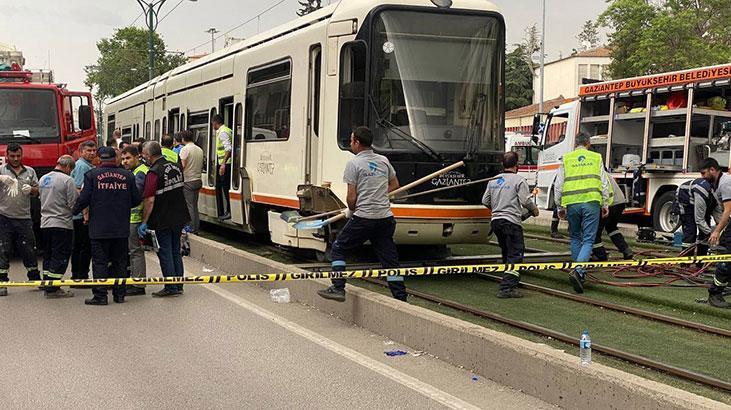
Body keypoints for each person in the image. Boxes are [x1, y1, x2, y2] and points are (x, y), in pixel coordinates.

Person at [317, 127, 407, 302]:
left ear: (357, 142)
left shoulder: (353, 164)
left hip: (364, 218)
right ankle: (401, 298)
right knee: (390, 260)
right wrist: (378, 195)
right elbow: (395, 184)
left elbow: (351, 197)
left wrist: (351, 210)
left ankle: (338, 287)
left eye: (351, 140)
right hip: (385, 219)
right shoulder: (383, 160)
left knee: (338, 247)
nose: (351, 144)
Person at [73, 147, 141, 305]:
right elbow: (136, 199)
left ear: (99, 158)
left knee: (100, 262)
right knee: (120, 262)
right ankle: (120, 295)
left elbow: (84, 198)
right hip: (120, 226)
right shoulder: (128, 176)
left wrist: (73, 211)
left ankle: (100, 295)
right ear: (115, 159)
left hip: (99, 227)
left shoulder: (92, 175)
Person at [554, 133, 610, 294]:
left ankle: (579, 272)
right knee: (588, 239)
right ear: (588, 143)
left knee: (575, 237)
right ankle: (579, 271)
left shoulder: (566, 159)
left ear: (575, 143)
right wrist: (605, 203)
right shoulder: (596, 158)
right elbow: (603, 182)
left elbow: (558, 185)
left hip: (572, 204)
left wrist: (559, 207)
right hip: (592, 202)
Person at [483, 151, 539, 298]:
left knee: (506, 251)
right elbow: (525, 200)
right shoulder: (519, 180)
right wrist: (534, 209)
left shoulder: (493, 180)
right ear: (517, 165)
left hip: (496, 222)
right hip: (511, 222)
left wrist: (497, 209)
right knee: (515, 254)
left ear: (503, 164)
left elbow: (485, 201)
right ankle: (507, 288)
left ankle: (509, 279)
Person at [140, 141, 190, 297]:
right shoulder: (176, 166)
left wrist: (144, 222)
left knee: (165, 252)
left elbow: (149, 200)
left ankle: (170, 287)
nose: (144, 158)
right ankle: (178, 285)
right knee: (176, 251)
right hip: (179, 215)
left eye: (144, 155)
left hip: (163, 218)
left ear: (149, 155)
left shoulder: (154, 172)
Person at [0, 143, 41, 296]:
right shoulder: (1, 170)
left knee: (29, 249)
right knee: (3, 250)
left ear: (22, 155)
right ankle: (2, 282)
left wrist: (32, 190)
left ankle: (34, 278)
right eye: (12, 156)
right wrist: (1, 178)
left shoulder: (30, 171)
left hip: (24, 217)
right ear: (7, 156)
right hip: (4, 216)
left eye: (18, 155)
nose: (16, 159)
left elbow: (38, 190)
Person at [39, 155, 78, 298]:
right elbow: (73, 203)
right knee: (60, 255)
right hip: (62, 223)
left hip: (45, 223)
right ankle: (53, 288)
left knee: (48, 254)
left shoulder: (43, 178)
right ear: (68, 167)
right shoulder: (68, 180)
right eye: (71, 170)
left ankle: (47, 282)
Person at [120, 145, 148, 296]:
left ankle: (138, 284)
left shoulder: (139, 173)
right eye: (123, 159)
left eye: (128, 158)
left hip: (134, 218)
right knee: (133, 251)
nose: (125, 161)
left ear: (137, 157)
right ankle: (135, 280)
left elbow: (135, 195)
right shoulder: (134, 172)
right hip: (131, 218)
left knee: (136, 251)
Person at [675, 164, 719, 256]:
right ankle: (686, 260)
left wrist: (720, 231)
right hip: (686, 203)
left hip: (700, 201)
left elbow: (718, 216)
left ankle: (701, 260)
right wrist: (712, 233)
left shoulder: (717, 196)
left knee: (705, 231)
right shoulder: (702, 192)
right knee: (690, 232)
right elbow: (699, 220)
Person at [704, 158, 731, 308]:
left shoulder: (725, 183)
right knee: (727, 252)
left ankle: (715, 292)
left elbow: (728, 210)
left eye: (704, 173)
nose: (702, 177)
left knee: (727, 258)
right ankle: (718, 290)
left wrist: (717, 231)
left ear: (712, 170)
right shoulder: (718, 184)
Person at [591, 171, 634, 261]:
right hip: (620, 202)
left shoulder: (594, 175)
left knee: (594, 232)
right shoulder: (605, 174)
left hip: (609, 204)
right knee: (612, 228)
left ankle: (600, 255)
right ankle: (626, 250)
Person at [71, 140, 96, 282]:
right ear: (81, 152)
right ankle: (79, 276)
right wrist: (86, 213)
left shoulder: (88, 166)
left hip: (81, 213)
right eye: (88, 150)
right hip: (81, 215)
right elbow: (80, 190)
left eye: (93, 150)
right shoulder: (82, 166)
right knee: (82, 247)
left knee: (82, 246)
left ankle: (79, 274)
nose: (92, 153)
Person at [179, 130, 204, 234]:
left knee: (189, 206)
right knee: (194, 205)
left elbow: (183, 165)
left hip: (188, 180)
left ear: (183, 139)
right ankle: (196, 228)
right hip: (198, 180)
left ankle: (192, 228)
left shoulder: (185, 149)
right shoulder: (199, 149)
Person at [212, 114, 232, 220]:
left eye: (213, 123)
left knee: (226, 188)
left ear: (215, 122)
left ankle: (229, 211)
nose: (212, 126)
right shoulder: (227, 130)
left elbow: (228, 148)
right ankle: (225, 211)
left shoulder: (223, 132)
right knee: (223, 187)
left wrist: (223, 164)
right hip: (225, 163)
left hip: (226, 164)